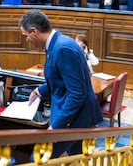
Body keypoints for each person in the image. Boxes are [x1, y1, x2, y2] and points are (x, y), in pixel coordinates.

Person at [19, 9, 102, 158]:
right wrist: (39, 91)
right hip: (74, 113)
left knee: (39, 158)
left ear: (34, 32)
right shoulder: (57, 43)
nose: (27, 40)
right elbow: (60, 80)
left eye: (26, 36)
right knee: (76, 157)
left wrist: (56, 126)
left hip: (76, 116)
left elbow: (77, 93)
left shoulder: (62, 48)